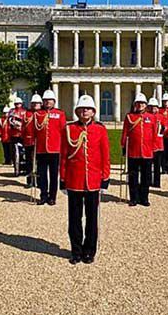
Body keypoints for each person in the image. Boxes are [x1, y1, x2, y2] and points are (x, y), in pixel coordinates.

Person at [60, 94, 110, 265]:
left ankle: (89, 251)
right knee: (74, 219)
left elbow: (105, 155)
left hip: (93, 180)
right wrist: (63, 178)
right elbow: (64, 156)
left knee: (91, 219)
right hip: (74, 180)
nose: (84, 111)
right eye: (82, 109)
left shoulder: (100, 130)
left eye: (88, 109)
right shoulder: (69, 129)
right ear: (77, 111)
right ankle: (76, 250)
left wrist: (105, 178)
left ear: (93, 111)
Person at [121, 93, 157, 207]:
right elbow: (125, 132)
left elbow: (154, 133)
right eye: (138, 103)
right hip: (133, 151)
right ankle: (133, 198)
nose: (140, 105)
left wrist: (154, 148)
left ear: (146, 105)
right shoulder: (129, 117)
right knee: (133, 176)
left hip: (147, 151)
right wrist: (123, 146)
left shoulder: (151, 117)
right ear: (135, 105)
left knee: (146, 177)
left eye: (142, 103)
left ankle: (144, 197)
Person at [33, 89, 66, 205]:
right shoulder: (38, 114)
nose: (48, 102)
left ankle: (52, 197)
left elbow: (63, 131)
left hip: (55, 148)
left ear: (54, 101)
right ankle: (43, 195)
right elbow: (34, 131)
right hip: (41, 148)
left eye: (50, 100)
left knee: (53, 175)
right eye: (46, 100)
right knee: (42, 175)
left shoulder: (60, 114)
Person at [23, 93, 43, 187]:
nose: (35, 105)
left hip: (40, 142)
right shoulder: (27, 113)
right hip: (28, 141)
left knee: (39, 163)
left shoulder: (42, 114)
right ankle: (29, 180)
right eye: (34, 103)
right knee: (29, 161)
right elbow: (23, 127)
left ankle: (39, 181)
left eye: (37, 103)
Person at [147, 97, 164, 188]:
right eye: (151, 107)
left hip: (158, 144)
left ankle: (157, 182)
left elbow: (165, 128)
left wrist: (164, 129)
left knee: (157, 165)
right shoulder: (147, 116)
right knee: (148, 165)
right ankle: (148, 180)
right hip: (149, 144)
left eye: (155, 107)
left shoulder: (161, 117)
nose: (153, 109)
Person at [9, 97, 27, 173]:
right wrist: (15, 126)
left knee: (25, 151)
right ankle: (16, 166)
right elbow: (10, 121)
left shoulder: (24, 111)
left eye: (19, 104)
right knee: (14, 151)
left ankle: (24, 166)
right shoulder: (12, 111)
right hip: (14, 134)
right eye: (16, 104)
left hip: (23, 134)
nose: (18, 105)